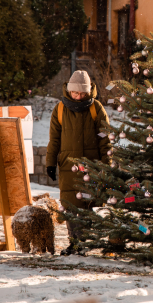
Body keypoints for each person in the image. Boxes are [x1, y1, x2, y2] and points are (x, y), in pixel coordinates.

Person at [46, 70, 112, 255]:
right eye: (76, 93)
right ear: (69, 90)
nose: (79, 97)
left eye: (83, 93)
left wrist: (107, 164)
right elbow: (54, 140)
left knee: (86, 206)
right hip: (67, 166)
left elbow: (105, 139)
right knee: (69, 206)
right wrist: (50, 163)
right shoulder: (59, 109)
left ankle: (83, 243)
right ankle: (73, 243)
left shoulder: (96, 108)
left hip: (90, 167)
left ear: (89, 92)